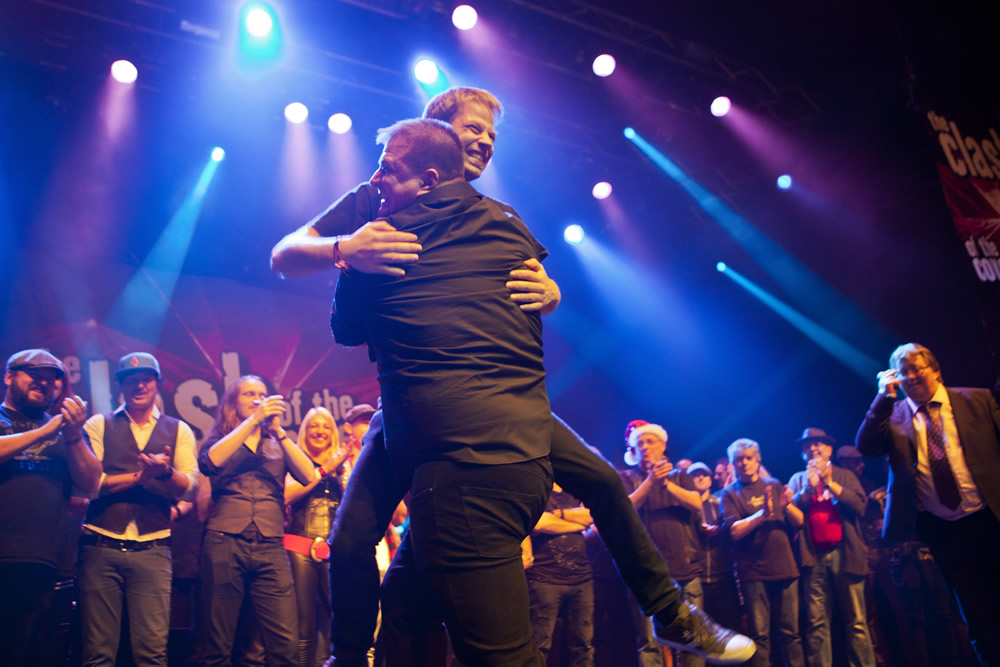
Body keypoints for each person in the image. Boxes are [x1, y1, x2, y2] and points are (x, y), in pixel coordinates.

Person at [271, 86, 753, 666]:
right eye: (474, 129)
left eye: (493, 136)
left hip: (490, 402)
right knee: (351, 541)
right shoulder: (375, 196)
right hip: (415, 403)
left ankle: (672, 615)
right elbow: (286, 255)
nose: (485, 142)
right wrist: (345, 249)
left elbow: (523, 300)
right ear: (438, 137)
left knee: (601, 480)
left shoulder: (497, 218)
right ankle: (348, 655)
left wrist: (550, 295)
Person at [856, 342, 1000, 665]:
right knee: (978, 616)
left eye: (917, 368)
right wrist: (883, 396)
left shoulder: (977, 399)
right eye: (903, 372)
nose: (911, 377)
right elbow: (865, 446)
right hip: (945, 532)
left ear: (935, 370)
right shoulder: (892, 416)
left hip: (990, 517)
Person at [77, 352, 200, 666]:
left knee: (151, 654)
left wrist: (164, 473)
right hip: (101, 546)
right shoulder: (99, 424)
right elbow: (90, 485)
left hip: (153, 550)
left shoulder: (178, 429)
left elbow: (191, 487)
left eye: (146, 379)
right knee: (98, 654)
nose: (139, 385)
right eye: (131, 380)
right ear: (121, 385)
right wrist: (139, 477)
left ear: (158, 383)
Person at [190, 375, 318, 666]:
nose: (258, 399)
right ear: (233, 402)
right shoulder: (220, 440)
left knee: (285, 644)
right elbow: (208, 462)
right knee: (216, 644)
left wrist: (280, 432)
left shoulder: (277, 442)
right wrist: (251, 422)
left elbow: (309, 475)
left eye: (262, 394)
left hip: (271, 546)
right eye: (249, 394)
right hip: (224, 542)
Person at [0, 349, 101, 666]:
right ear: (9, 376)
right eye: (35, 375)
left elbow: (91, 482)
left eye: (52, 380)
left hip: (40, 558)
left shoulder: (67, 431)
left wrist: (71, 434)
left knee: (23, 652)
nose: (44, 384)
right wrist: (46, 430)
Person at [621, 422, 709, 667]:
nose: (645, 447)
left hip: (686, 570)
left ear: (663, 447)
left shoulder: (680, 476)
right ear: (634, 451)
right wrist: (650, 481)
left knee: (694, 640)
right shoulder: (627, 478)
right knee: (650, 644)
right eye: (640, 444)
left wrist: (666, 484)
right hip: (647, 575)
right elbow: (624, 508)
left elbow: (696, 503)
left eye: (650, 442)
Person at [786, 427, 874, 667]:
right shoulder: (797, 479)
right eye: (808, 446)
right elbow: (789, 513)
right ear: (803, 453)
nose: (813, 448)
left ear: (830, 449)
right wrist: (809, 488)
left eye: (819, 444)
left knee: (856, 622)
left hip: (846, 555)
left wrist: (830, 483)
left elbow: (860, 506)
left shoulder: (845, 475)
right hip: (813, 559)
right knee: (816, 625)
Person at [721, 438, 805, 667]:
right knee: (760, 636)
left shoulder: (774, 484)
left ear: (758, 460)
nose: (745, 463)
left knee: (791, 634)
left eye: (749, 458)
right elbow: (734, 532)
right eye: (739, 459)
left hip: (785, 569)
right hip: (754, 573)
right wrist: (763, 514)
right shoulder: (729, 494)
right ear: (733, 464)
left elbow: (799, 521)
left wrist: (786, 506)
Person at [284, 407, 352, 667]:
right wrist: (324, 468)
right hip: (299, 549)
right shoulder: (295, 460)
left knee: (338, 623)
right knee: (303, 626)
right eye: (314, 425)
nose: (320, 430)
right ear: (305, 431)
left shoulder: (344, 464)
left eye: (326, 426)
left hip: (334, 550)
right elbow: (287, 496)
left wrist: (342, 470)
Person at [688, 462, 742, 634]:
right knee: (703, 634)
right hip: (697, 578)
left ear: (711, 481)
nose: (701, 477)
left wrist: (720, 531)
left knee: (729, 629)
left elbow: (733, 529)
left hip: (723, 576)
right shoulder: (685, 507)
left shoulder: (721, 503)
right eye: (696, 475)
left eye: (705, 475)